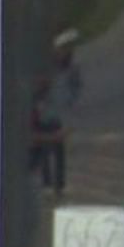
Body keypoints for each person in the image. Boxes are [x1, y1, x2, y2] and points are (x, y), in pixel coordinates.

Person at [28, 27, 83, 199]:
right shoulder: (48, 68)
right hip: (44, 112)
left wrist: (71, 100)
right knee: (46, 147)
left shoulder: (71, 69)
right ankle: (47, 182)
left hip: (57, 112)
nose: (65, 53)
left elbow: (75, 87)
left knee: (58, 148)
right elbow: (38, 89)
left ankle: (58, 184)